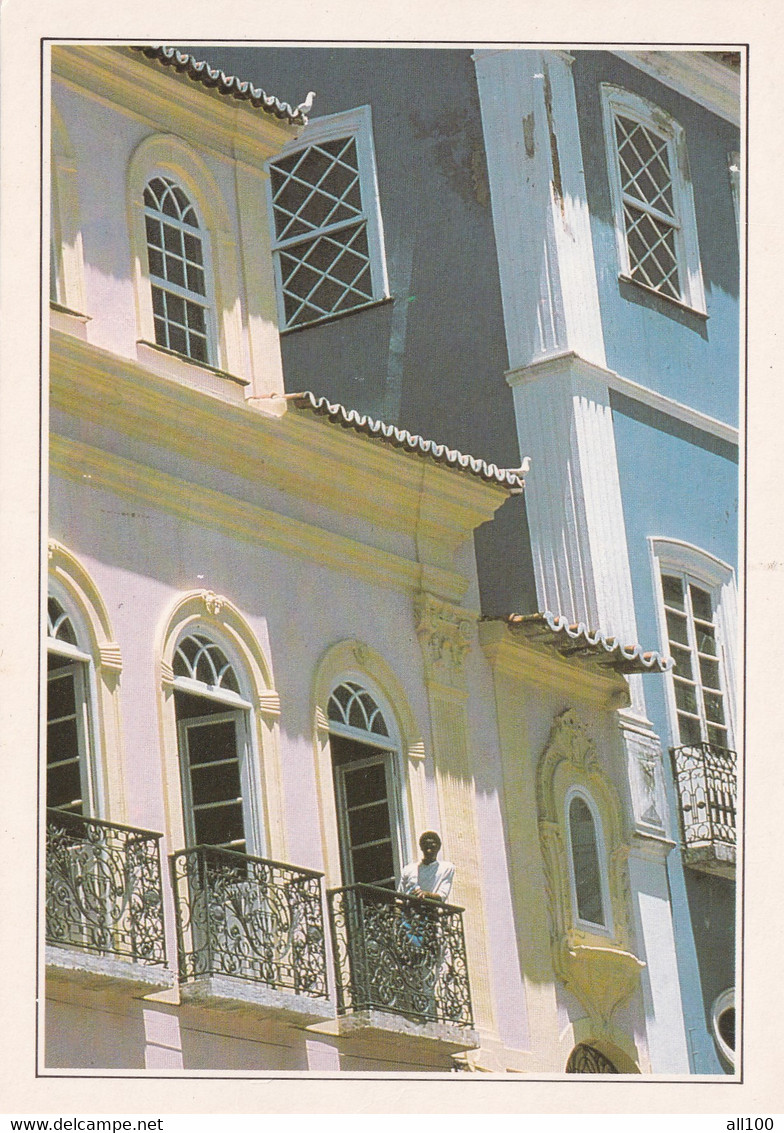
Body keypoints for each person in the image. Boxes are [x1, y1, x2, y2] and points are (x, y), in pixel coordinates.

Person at [398, 831, 455, 903]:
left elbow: (442, 896)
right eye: (426, 846)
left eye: (432, 847)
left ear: (438, 847)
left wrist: (426, 894)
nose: (429, 850)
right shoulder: (408, 869)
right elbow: (400, 896)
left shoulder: (447, 868)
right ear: (421, 847)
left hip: (431, 911)